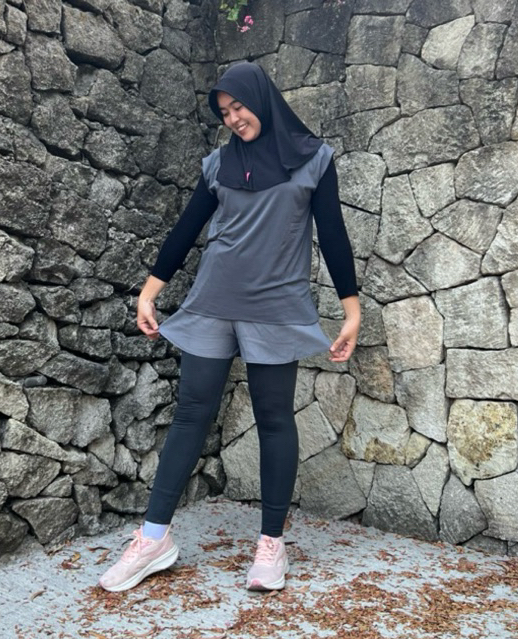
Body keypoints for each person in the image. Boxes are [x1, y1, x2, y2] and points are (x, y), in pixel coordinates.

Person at [98, 62, 360, 593]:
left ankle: (271, 544)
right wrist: (150, 292)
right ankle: (153, 539)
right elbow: (187, 228)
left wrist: (352, 311)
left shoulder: (314, 159)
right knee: (191, 413)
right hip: (212, 302)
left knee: (274, 418)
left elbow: (333, 234)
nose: (234, 119)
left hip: (277, 306)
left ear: (262, 99)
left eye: (239, 106)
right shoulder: (218, 164)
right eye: (224, 113)